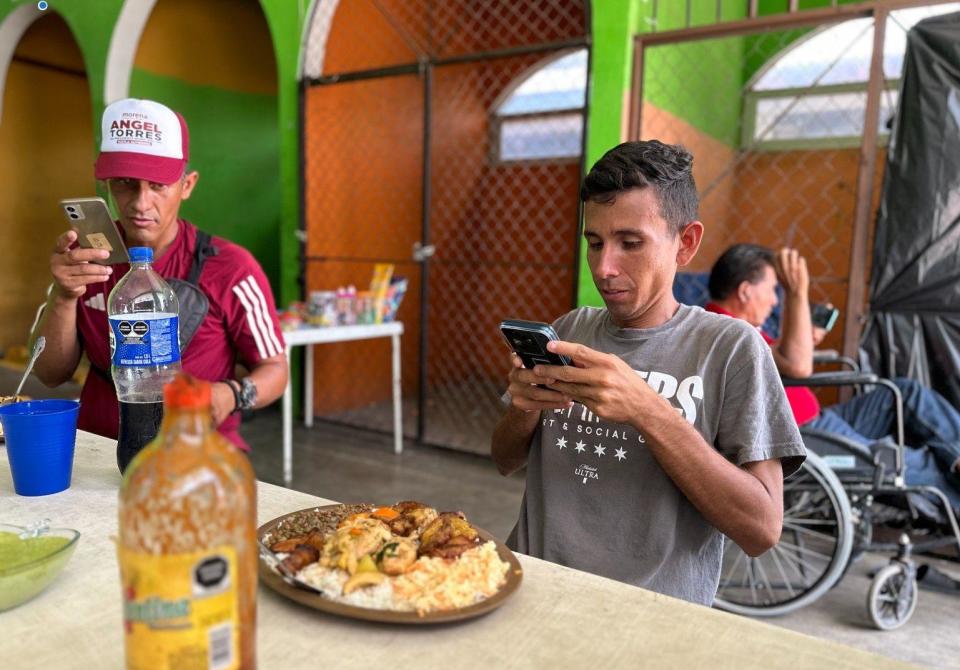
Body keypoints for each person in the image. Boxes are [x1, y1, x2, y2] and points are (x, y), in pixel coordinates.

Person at [491, 140, 806, 606]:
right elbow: (504, 459)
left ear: (686, 242)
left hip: (650, 618)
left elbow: (762, 529)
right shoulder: (570, 330)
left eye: (631, 243)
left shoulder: (731, 349)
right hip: (532, 588)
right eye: (594, 243)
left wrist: (648, 410)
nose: (605, 267)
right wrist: (523, 407)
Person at [32, 98, 288, 452]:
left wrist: (230, 394)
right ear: (105, 183)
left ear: (187, 185)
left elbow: (276, 369)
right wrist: (63, 295)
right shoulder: (85, 260)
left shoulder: (231, 268)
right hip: (97, 455)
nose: (140, 203)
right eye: (124, 183)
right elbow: (49, 374)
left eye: (158, 185)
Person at [706, 243, 960, 513]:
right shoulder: (729, 331)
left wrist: (803, 336)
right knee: (920, 465)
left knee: (906, 393)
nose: (775, 300)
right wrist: (797, 291)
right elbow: (798, 366)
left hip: (817, 420)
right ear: (745, 291)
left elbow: (780, 359)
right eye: (771, 289)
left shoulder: (734, 327)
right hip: (803, 435)